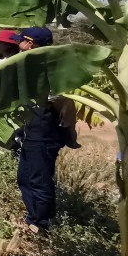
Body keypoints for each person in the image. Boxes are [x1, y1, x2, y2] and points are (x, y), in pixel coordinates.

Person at [12, 27, 79, 230]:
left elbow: (62, 102)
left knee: (39, 179)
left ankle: (41, 223)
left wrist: (68, 128)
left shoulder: (49, 68)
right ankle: (33, 216)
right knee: (24, 177)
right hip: (32, 131)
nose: (18, 44)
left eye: (20, 41)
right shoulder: (32, 66)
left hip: (44, 132)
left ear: (30, 43)